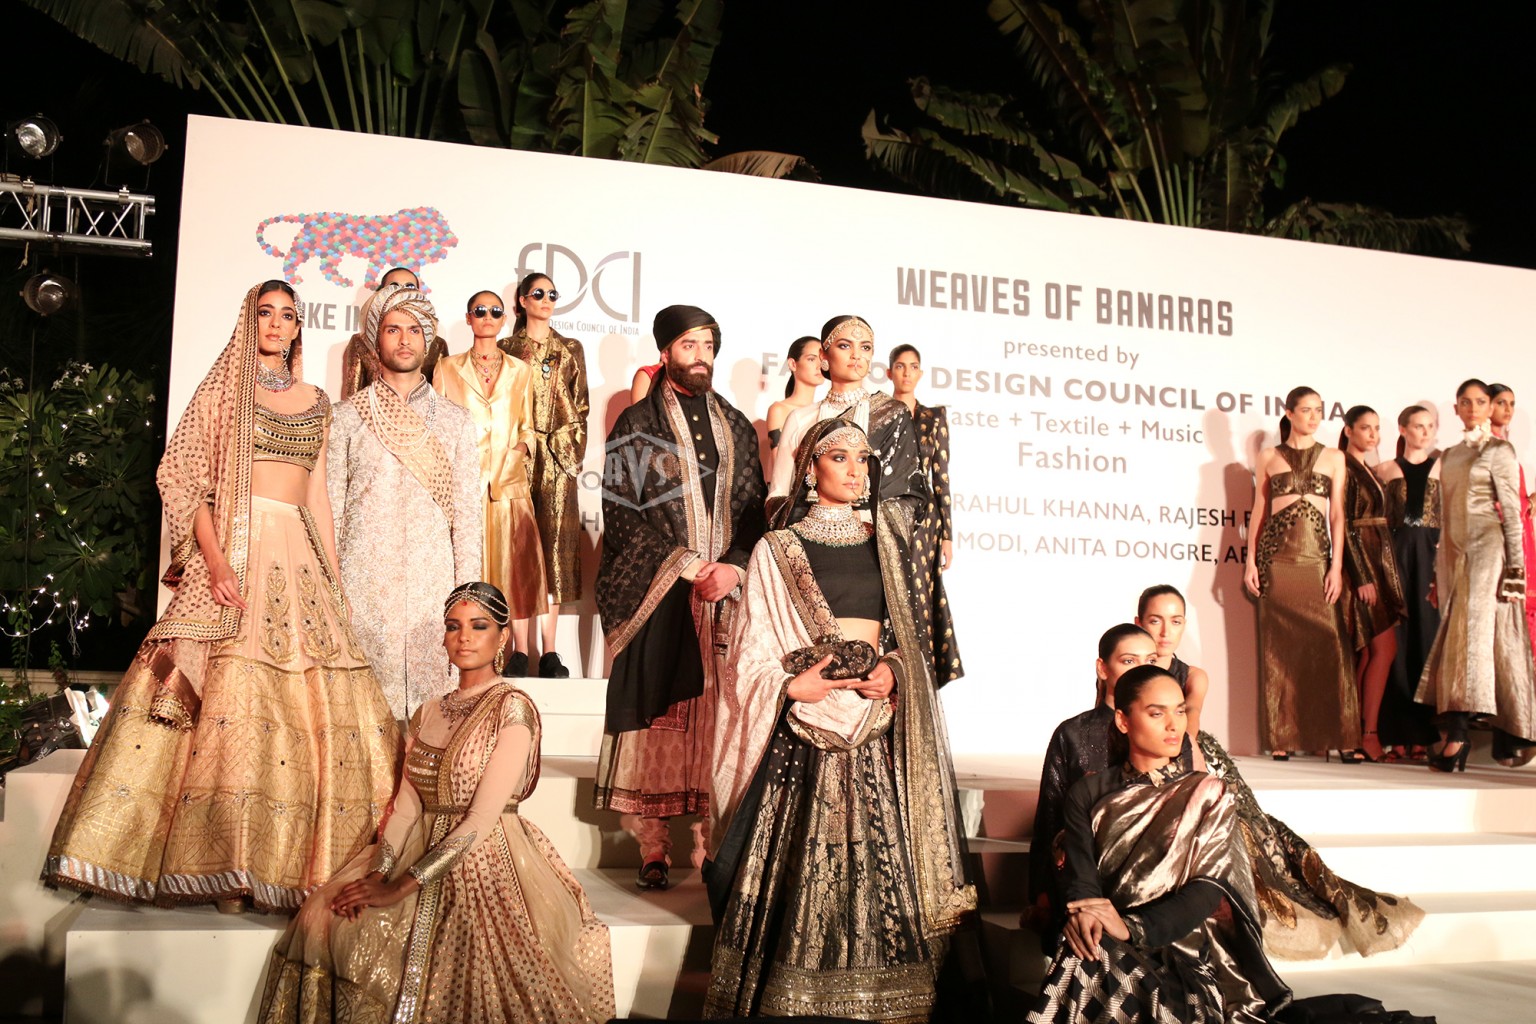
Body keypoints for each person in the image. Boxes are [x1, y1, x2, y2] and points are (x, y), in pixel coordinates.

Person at [44, 282, 400, 912]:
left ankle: (289, 866)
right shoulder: (223, 393)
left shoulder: (318, 402)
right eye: (266, 313)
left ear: (298, 328)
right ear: (249, 320)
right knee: (226, 701)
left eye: (288, 315)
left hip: (301, 555)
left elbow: (317, 495)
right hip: (237, 551)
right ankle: (221, 865)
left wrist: (335, 580)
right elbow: (183, 479)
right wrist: (214, 563)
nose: (277, 324)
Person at [705, 419, 975, 1021]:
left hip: (873, 728)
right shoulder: (778, 549)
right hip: (803, 731)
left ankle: (883, 1003)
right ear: (810, 468)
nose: (855, 470)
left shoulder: (889, 543)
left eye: (862, 458)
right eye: (839, 457)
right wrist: (787, 686)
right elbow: (751, 650)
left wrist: (895, 673)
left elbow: (911, 640)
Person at [257, 582, 615, 1023]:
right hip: (416, 844)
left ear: (503, 636)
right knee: (324, 915)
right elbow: (407, 805)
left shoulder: (512, 708)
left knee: (459, 959)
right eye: (453, 626)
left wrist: (398, 888)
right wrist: (378, 873)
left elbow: (480, 819)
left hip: (484, 856)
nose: (464, 637)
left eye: (479, 626)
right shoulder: (429, 711)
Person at [1125, 590, 1425, 960]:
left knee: (1252, 842)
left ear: (1185, 624)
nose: (1165, 631)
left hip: (1192, 755)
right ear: (1139, 622)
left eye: (1175, 621)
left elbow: (1191, 724)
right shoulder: (1126, 669)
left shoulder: (1193, 676)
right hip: (1147, 758)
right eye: (1155, 620)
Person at [595, 304, 767, 889]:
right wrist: (688, 566)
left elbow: (753, 510)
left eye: (708, 346)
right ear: (665, 352)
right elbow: (620, 512)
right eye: (689, 345)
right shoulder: (635, 423)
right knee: (659, 721)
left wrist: (735, 568)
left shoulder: (736, 425)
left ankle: (709, 843)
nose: (701, 357)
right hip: (660, 588)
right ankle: (653, 846)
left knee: (719, 719)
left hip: (725, 597)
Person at [1027, 666, 1292, 1024]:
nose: (1173, 725)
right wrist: (1085, 916)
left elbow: (1207, 891)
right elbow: (1083, 879)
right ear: (1123, 720)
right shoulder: (1088, 793)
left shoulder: (1207, 794)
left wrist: (1133, 928)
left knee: (1092, 959)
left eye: (1180, 711)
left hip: (1181, 952)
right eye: (1157, 713)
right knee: (1087, 947)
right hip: (1107, 936)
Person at [328, 286, 483, 719]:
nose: (404, 339)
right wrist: (332, 592)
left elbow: (468, 520)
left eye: (414, 330)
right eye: (393, 329)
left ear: (427, 339)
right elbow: (330, 512)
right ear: (375, 339)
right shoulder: (345, 417)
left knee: (432, 723)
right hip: (363, 590)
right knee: (361, 722)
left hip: (433, 591)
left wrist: (467, 597)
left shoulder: (455, 421)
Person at [1416, 378, 1536, 771]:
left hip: (1488, 551)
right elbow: (1444, 515)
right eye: (1465, 403)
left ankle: (1458, 738)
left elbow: (1513, 515)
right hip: (1454, 555)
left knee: (1471, 640)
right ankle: (1465, 736)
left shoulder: (1500, 450)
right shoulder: (1450, 455)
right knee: (1460, 643)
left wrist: (1515, 570)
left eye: (1480, 402)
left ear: (1489, 406)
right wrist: (1436, 573)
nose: (1472, 409)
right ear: (1456, 409)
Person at [433, 290, 548, 676]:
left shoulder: (520, 370)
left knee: (511, 572)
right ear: (468, 318)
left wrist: (518, 452)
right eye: (479, 310)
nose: (487, 316)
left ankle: (507, 657)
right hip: (462, 485)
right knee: (467, 571)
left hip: (507, 486)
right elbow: (437, 428)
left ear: (503, 319)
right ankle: (463, 660)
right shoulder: (447, 367)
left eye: (495, 311)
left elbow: (528, 427)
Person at [1245, 385, 1358, 759]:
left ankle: (1342, 738)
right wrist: (1250, 562)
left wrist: (1336, 566)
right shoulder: (1268, 456)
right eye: (1306, 410)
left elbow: (1337, 515)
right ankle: (1282, 739)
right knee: (1280, 649)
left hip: (1316, 561)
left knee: (1331, 644)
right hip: (1277, 561)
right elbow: (1259, 512)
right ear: (1289, 413)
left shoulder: (1334, 457)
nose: (1313, 417)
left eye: (1318, 410)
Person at [501, 273, 589, 677]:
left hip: (557, 456)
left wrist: (567, 450)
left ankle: (550, 651)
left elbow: (581, 406)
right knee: (518, 549)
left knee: (553, 550)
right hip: (517, 453)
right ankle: (520, 650)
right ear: (522, 301)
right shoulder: (506, 348)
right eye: (538, 293)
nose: (547, 299)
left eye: (552, 294)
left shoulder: (570, 348)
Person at [767, 316, 925, 531]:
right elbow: (778, 495)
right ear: (823, 355)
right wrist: (816, 522)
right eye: (844, 346)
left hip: (868, 541)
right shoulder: (800, 418)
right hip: (808, 538)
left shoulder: (892, 415)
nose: (856, 355)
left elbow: (910, 496)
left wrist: (857, 519)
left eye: (865, 347)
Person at [889, 342, 964, 685]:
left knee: (920, 592)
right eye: (900, 366)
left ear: (920, 373)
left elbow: (941, 477)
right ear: (889, 372)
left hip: (926, 519)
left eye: (913, 366)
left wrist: (947, 535)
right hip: (889, 512)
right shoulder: (880, 413)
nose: (907, 373)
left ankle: (921, 672)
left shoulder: (934, 417)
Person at [1374, 405, 1445, 760]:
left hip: (1432, 561)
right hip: (1397, 559)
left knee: (1428, 642)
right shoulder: (1385, 470)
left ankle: (1424, 736)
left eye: (1430, 426)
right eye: (1418, 426)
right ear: (1403, 429)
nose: (1426, 432)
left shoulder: (1443, 468)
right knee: (1396, 645)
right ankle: (1394, 735)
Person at [1338, 406, 1407, 763]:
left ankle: (1360, 732)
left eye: (1377, 429)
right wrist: (1361, 576)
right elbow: (1346, 525)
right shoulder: (1344, 467)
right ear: (1348, 430)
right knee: (1380, 648)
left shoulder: (1370, 470)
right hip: (1362, 566)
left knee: (1371, 651)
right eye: (1365, 428)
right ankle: (1366, 734)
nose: (1373, 435)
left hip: (1380, 563)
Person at [341, 267, 449, 399]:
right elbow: (353, 393)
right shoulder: (360, 342)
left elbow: (441, 393)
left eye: (409, 287)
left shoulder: (437, 344)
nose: (401, 292)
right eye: (394, 286)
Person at [1489, 383, 1536, 645]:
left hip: (1518, 533)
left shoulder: (1506, 445)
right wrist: (1526, 503)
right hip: (1499, 537)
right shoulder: (1486, 446)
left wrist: (1528, 502)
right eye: (1501, 403)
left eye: (1512, 404)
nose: (1508, 409)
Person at [762, 335, 822, 454]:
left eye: (823, 359)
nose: (819, 366)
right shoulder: (779, 410)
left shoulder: (825, 410)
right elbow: (778, 461)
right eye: (811, 359)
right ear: (792, 364)